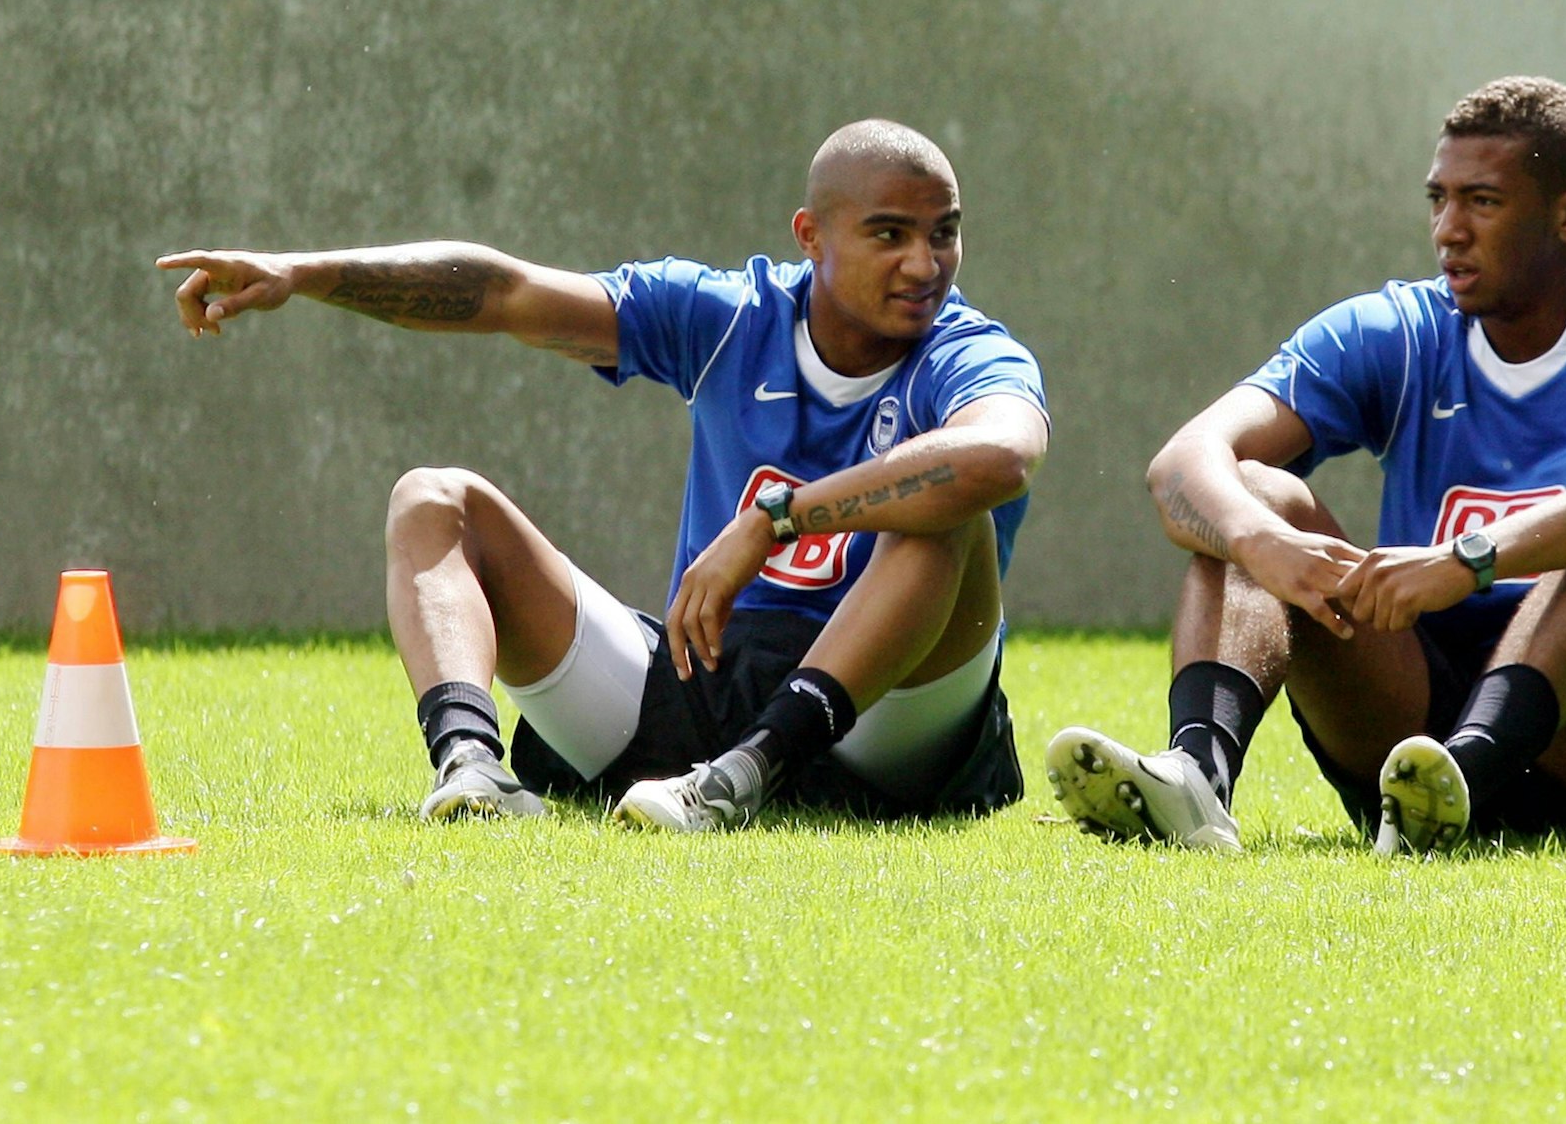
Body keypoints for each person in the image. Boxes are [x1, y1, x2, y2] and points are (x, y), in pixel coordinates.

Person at [159, 119, 1049, 831]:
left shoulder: (966, 351)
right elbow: (504, 293)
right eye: (889, 235)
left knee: (948, 505)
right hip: (702, 682)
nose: (924, 264)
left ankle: (748, 774)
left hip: (890, 726)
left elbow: (1000, 456)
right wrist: (302, 274)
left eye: (944, 234)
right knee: (434, 499)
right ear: (810, 236)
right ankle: (472, 771)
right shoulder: (731, 317)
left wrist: (778, 519)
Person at [1046, 76, 1566, 855]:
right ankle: (1197, 778)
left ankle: (1464, 783)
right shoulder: (1398, 330)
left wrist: (1469, 558)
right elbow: (1182, 463)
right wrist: (1259, 541)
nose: (1448, 229)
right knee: (1250, 495)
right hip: (1417, 734)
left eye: (1482, 202)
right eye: (1437, 199)